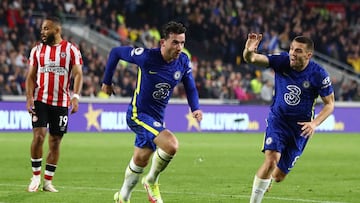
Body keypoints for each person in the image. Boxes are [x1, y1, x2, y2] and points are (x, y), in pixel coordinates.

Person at [101, 21, 203, 203]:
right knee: (171, 145)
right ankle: (151, 181)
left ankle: (122, 197)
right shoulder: (147, 57)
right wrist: (107, 81)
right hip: (137, 115)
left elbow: (190, 86)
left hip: (156, 118)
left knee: (140, 160)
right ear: (163, 42)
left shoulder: (183, 61)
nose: (179, 47)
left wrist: (195, 108)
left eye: (182, 43)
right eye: (175, 42)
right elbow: (116, 52)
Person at [243, 33, 335, 203]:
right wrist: (248, 51)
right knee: (271, 160)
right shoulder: (282, 61)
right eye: (292, 49)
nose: (292, 53)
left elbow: (329, 104)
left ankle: (269, 179)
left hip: (300, 129)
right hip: (278, 120)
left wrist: (314, 124)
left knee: (278, 176)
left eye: (298, 51)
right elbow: (253, 59)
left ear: (308, 55)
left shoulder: (319, 74)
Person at [25, 16, 83, 192]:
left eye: (46, 29)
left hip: (61, 102)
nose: (42, 32)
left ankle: (48, 181)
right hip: (40, 99)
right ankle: (35, 177)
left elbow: (78, 74)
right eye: (42, 29)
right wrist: (29, 97)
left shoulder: (71, 50)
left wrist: (76, 96)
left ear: (57, 30)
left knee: (55, 141)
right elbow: (30, 76)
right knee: (39, 136)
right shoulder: (37, 51)